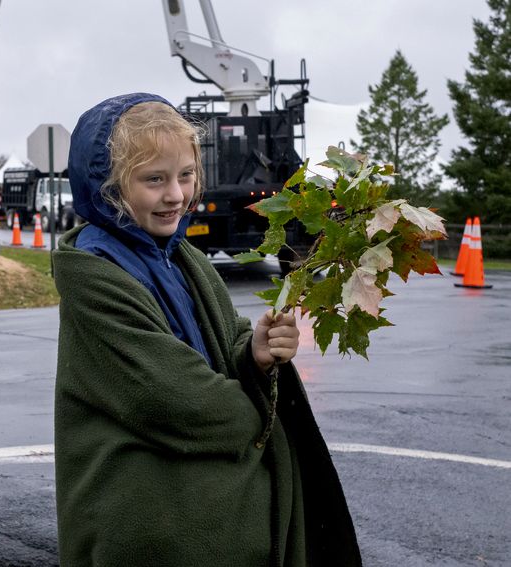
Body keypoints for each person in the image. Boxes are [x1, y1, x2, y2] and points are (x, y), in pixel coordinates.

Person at [52, 93, 362, 566]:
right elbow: (173, 397)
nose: (175, 195)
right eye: (153, 179)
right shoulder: (97, 274)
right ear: (107, 187)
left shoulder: (183, 257)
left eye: (186, 175)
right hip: (150, 520)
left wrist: (253, 351)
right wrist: (259, 409)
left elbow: (225, 337)